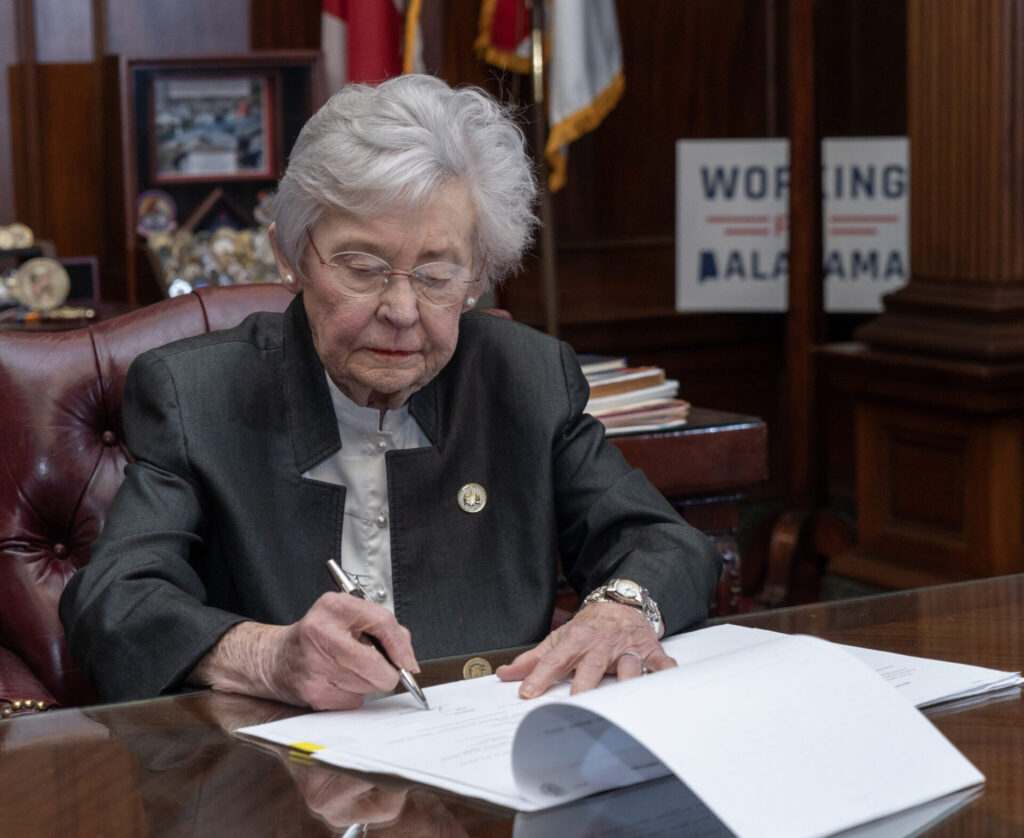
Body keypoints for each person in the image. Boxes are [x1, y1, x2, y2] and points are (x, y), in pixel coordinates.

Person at [60, 75, 721, 711]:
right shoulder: (197, 394)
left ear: (479, 272)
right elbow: (114, 603)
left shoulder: (526, 380)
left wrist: (622, 608)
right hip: (277, 779)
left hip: (487, 768)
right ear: (289, 254)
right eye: (364, 268)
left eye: (437, 274)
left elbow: (667, 544)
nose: (402, 309)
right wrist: (268, 656)